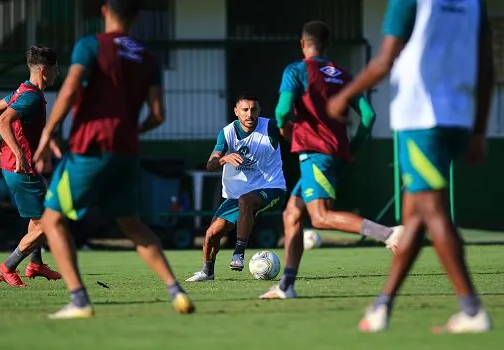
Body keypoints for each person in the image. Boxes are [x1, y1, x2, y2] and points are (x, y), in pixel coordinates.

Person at [327, 0, 494, 333]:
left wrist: (343, 96)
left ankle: (472, 309)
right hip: (457, 120)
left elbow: (385, 61)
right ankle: (382, 306)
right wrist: (478, 130)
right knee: (414, 217)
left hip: (421, 122)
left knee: (432, 212)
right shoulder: (474, 3)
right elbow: (487, 69)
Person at [33, 0, 195, 319]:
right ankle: (176, 291)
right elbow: (159, 115)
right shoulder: (148, 57)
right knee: (132, 224)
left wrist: (48, 133)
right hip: (126, 151)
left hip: (90, 148)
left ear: (104, 10)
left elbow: (68, 91)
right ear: (137, 17)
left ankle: (79, 300)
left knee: (51, 220)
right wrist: (132, 130)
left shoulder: (90, 45)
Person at [260, 21, 403, 300]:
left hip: (315, 153)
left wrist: (282, 126)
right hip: (334, 153)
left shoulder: (296, 70)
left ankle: (388, 234)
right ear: (326, 45)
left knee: (321, 216)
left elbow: (282, 110)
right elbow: (369, 116)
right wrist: (353, 149)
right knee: (292, 214)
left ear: (303, 44)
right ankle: (286, 286)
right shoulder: (342, 74)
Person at [186, 93, 287, 282]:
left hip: (272, 188)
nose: (250, 114)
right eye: (245, 110)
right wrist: (224, 159)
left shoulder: (270, 126)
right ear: (236, 112)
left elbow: (291, 129)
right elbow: (210, 165)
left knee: (246, 201)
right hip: (237, 196)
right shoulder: (227, 133)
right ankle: (207, 272)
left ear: (260, 111)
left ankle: (238, 253)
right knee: (211, 234)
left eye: (254, 110)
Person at [0, 46, 62, 286]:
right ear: (43, 70)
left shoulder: (23, 90)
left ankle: (36, 264)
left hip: (18, 168)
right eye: (55, 69)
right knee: (49, 222)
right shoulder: (30, 97)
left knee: (37, 219)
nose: (57, 73)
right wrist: (18, 153)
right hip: (22, 169)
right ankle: (7, 267)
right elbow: (3, 121)